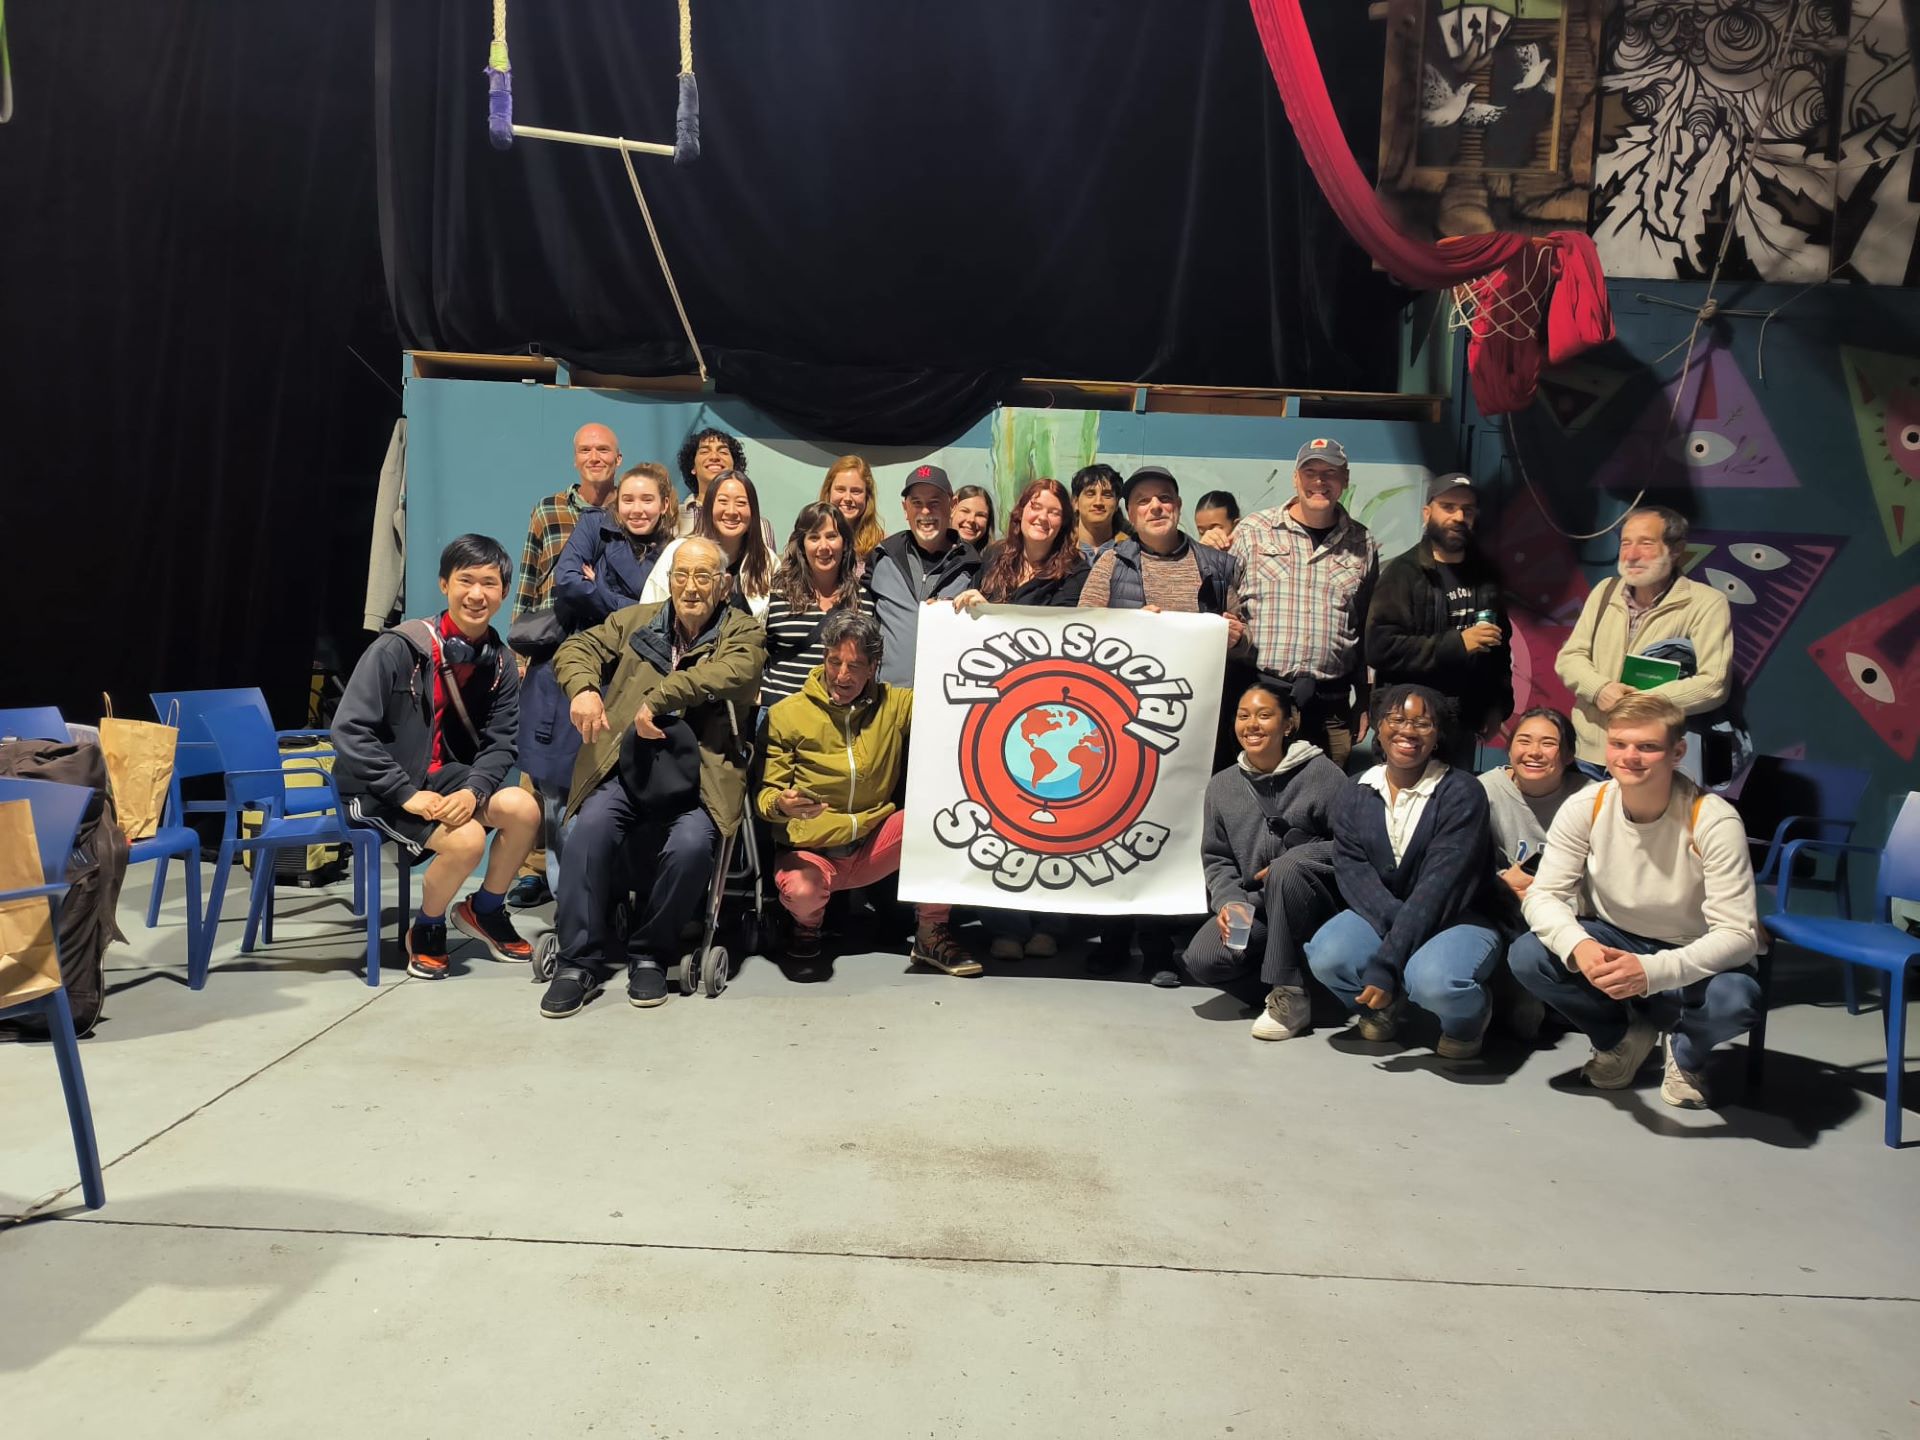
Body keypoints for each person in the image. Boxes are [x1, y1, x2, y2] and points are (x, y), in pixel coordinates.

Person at [539, 537, 766, 1018]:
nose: (691, 587)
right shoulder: (636, 621)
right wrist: (581, 689)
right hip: (628, 766)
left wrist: (659, 698)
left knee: (691, 845)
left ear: (723, 584)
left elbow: (736, 671)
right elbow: (578, 647)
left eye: (703, 576)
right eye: (682, 575)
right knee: (586, 830)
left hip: (700, 773)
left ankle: (650, 953)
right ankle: (578, 961)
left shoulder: (742, 631)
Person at [1510, 693, 1762, 1108]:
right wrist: (1581, 946)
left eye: (1647, 746)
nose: (1630, 757)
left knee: (1737, 1001)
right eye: (1619, 744)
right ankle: (1620, 1039)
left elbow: (1739, 935)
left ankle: (1686, 1054)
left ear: (1677, 752)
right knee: (1529, 955)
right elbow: (1543, 895)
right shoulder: (1586, 806)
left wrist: (1650, 971)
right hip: (1613, 936)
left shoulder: (1713, 819)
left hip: (1690, 948)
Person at [334, 535, 541, 979]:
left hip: (442, 780)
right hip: (374, 788)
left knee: (523, 808)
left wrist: (473, 790)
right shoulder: (398, 648)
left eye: (489, 583)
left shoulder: (500, 662)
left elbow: (502, 743)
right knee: (466, 840)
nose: (477, 594)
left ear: (503, 593)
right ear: (444, 584)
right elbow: (349, 730)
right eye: (466, 580)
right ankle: (426, 929)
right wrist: (405, 794)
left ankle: (483, 910)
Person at [1079, 464, 1249, 985]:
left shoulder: (1216, 565)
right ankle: (1111, 938)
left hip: (1195, 727)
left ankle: (1157, 944)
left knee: (1174, 831)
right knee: (1113, 824)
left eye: (1166, 499)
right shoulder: (1112, 562)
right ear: (1130, 514)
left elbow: (1243, 639)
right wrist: (1132, 626)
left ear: (1178, 506)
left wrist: (1234, 635)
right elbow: (1083, 632)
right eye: (1146, 501)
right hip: (1123, 723)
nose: (1156, 507)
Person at [758, 610, 982, 979]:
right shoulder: (787, 714)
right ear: (824, 658)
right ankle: (807, 926)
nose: (842, 675)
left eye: (855, 665)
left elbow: (952, 698)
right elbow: (766, 796)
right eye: (834, 662)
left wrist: (970, 618)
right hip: (813, 854)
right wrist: (782, 805)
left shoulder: (895, 705)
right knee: (802, 891)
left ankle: (930, 934)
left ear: (874, 666)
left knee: (941, 820)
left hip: (874, 845)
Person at [1305, 684, 1502, 1059]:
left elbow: (1440, 887)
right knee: (1328, 956)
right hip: (1390, 913)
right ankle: (1386, 1006)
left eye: (1422, 723)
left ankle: (1468, 1022)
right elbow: (1354, 876)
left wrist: (1389, 960)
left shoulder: (1462, 792)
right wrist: (1402, 942)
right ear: (1378, 727)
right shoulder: (1354, 791)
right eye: (1396, 719)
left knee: (1434, 982)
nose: (1407, 731)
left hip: (1457, 916)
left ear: (1439, 733)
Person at [1183, 676, 1346, 1041]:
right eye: (1243, 716)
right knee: (1203, 959)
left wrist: (1298, 861)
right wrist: (1228, 902)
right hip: (1255, 906)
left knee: (1288, 869)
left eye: (1264, 715)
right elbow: (1217, 858)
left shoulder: (1324, 775)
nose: (1251, 725)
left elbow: (1352, 846)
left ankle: (1290, 991)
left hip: (1315, 905)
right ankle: (1302, 992)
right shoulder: (1223, 785)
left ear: (1288, 723)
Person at [508, 421, 622, 906]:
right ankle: (546, 877)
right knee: (546, 774)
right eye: (585, 450)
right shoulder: (549, 510)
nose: (594, 456)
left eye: (603, 450)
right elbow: (531, 581)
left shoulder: (631, 506)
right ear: (575, 459)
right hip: (554, 654)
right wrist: (519, 654)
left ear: (618, 458)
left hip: (612, 654)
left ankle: (602, 882)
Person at [1230, 437, 1381, 766]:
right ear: (1296, 477)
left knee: (1324, 805)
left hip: (1331, 705)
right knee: (1256, 799)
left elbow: (1367, 627)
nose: (1319, 481)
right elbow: (1222, 605)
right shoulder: (1253, 531)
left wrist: (1365, 699)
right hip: (1261, 698)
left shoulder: (1363, 542)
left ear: (1345, 479)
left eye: (1330, 472)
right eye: (1310, 471)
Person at [1555, 505, 1733, 767]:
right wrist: (1600, 689)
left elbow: (1713, 684)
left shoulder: (1706, 602)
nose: (1632, 555)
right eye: (1626, 543)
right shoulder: (1605, 591)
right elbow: (1570, 657)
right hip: (1590, 753)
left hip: (1652, 756)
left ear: (1676, 549)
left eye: (1646, 543)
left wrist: (1639, 703)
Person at [1364, 472, 1513, 767]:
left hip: (1461, 725)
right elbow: (1380, 647)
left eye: (1467, 511)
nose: (1458, 516)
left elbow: (1500, 650)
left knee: (1454, 808)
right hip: (1407, 725)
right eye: (1448, 507)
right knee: (1400, 808)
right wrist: (1457, 644)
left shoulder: (1485, 577)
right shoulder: (1403, 574)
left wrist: (1498, 706)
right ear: (1427, 512)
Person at [1479, 706, 1592, 1036]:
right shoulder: (1484, 790)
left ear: (1569, 754)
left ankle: (1543, 995)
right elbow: (1457, 865)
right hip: (1503, 903)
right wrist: (1501, 880)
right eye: (1524, 741)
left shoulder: (1589, 797)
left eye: (1548, 743)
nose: (1533, 752)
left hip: (1566, 906)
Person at [866, 463, 982, 687]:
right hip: (887, 702)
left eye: (934, 502)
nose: (925, 512)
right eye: (917, 503)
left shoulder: (974, 565)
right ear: (905, 508)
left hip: (945, 701)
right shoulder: (882, 557)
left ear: (953, 505)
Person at [762, 503, 867, 705]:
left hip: (837, 716)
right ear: (802, 545)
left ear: (845, 543)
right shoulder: (776, 593)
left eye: (831, 536)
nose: (823, 546)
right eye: (814, 537)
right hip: (781, 714)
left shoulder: (862, 599)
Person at [551, 463, 679, 628]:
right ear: (617, 503)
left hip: (644, 646)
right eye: (628, 500)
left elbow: (668, 612)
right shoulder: (596, 525)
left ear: (664, 504)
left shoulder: (673, 550)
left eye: (647, 500)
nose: (637, 510)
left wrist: (600, 589)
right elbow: (568, 581)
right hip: (591, 639)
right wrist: (638, 607)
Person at [644, 470, 775, 617]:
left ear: (753, 511)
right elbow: (648, 612)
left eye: (741, 503)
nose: (731, 511)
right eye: (723, 501)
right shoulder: (678, 551)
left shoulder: (766, 560)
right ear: (709, 507)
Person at [952, 477, 1088, 611]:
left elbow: (1057, 626)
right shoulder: (994, 554)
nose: (1042, 517)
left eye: (1054, 513)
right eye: (1036, 507)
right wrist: (942, 608)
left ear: (1063, 522)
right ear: (1021, 512)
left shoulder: (1074, 572)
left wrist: (990, 613)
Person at [677, 425, 777, 548]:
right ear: (693, 467)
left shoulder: (760, 525)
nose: (714, 457)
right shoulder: (674, 518)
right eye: (704, 451)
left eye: (723, 452)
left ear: (734, 466)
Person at [819, 455, 887, 558]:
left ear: (867, 496)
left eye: (856, 491)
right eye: (840, 489)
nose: (848, 498)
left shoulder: (882, 544)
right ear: (828, 492)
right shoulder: (807, 537)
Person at [1070, 463, 1127, 561]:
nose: (1098, 502)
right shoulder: (1058, 552)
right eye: (1090, 494)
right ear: (1075, 502)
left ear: (1117, 504)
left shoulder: (1131, 552)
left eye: (1107, 495)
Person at [951, 485, 997, 549]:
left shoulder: (994, 557)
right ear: (952, 509)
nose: (971, 519)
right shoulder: (934, 554)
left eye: (980, 515)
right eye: (965, 511)